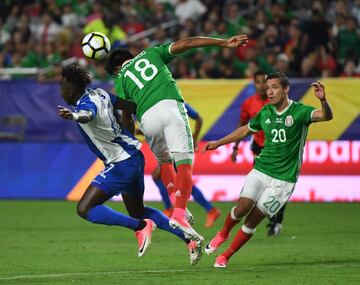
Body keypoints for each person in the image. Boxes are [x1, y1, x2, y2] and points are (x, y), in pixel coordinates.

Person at [104, 34, 248, 241]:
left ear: (117, 68)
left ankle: (176, 204)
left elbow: (126, 115)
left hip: (147, 118)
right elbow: (188, 43)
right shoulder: (152, 53)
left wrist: (128, 138)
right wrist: (223, 42)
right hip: (170, 107)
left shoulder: (120, 80)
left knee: (164, 163)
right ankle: (180, 214)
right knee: (184, 164)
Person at [57, 64, 203, 265]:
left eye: (62, 86)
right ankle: (189, 238)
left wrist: (73, 116)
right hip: (133, 156)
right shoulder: (100, 94)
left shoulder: (84, 105)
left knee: (85, 208)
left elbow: (87, 115)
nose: (60, 91)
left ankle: (140, 227)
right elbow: (130, 106)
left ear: (72, 87)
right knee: (138, 210)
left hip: (121, 163)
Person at [203, 72, 333, 268]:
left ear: (286, 89)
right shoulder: (265, 112)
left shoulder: (300, 111)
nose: (269, 91)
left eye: (274, 87)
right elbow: (245, 130)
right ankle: (223, 233)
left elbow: (325, 116)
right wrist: (219, 143)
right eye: (267, 87)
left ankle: (225, 256)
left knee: (253, 219)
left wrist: (323, 100)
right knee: (242, 207)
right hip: (261, 170)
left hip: (284, 180)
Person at [231, 70, 286, 236]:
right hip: (259, 148)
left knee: (278, 187)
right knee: (262, 185)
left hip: (277, 149)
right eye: (258, 82)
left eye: (265, 82)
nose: (262, 86)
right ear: (254, 84)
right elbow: (242, 125)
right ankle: (261, 214)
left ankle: (277, 221)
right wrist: (235, 147)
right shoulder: (249, 103)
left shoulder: (279, 102)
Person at [152, 102, 221, 227]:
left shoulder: (176, 103)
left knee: (160, 174)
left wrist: (194, 138)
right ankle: (210, 210)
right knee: (181, 181)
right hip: (171, 146)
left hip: (179, 145)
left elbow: (199, 118)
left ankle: (170, 208)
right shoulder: (161, 103)